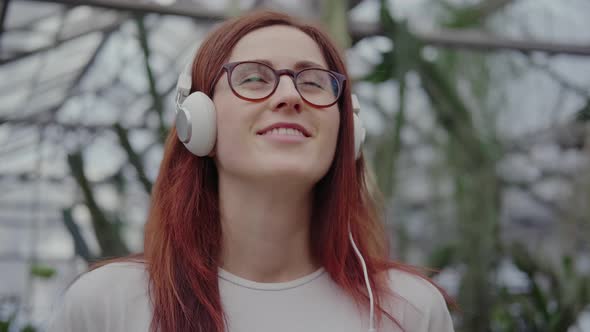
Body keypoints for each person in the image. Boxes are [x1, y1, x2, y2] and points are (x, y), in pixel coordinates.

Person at [45, 10, 454, 332]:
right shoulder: (106, 305)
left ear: (349, 132)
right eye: (255, 78)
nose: (290, 95)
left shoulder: (411, 310)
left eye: (313, 82)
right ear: (199, 122)